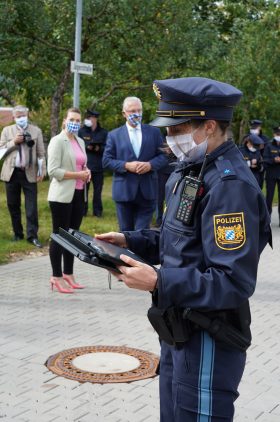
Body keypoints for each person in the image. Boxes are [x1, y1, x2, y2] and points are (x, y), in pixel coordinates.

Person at [96, 77, 271, 421]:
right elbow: (176, 239)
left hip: (209, 337)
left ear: (208, 126)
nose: (168, 138)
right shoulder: (191, 171)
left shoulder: (229, 186)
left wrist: (159, 281)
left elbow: (231, 281)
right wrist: (129, 241)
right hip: (177, 332)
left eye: (177, 129)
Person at [102, 96, 167, 231]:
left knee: (141, 233)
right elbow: (106, 161)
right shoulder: (114, 135)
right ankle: (125, 253)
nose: (136, 114)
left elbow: (164, 156)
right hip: (124, 191)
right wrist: (126, 165)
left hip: (147, 190)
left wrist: (150, 165)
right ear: (124, 114)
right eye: (132, 111)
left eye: (139, 110)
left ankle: (139, 252)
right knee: (125, 233)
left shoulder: (154, 132)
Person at [47, 107, 91, 294]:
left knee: (72, 236)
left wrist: (86, 172)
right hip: (61, 197)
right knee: (59, 236)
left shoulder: (80, 140)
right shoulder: (58, 141)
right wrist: (77, 174)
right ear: (65, 120)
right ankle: (56, 276)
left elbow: (81, 163)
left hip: (79, 194)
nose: (75, 122)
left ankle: (69, 274)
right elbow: (53, 171)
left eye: (78, 120)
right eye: (72, 119)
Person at [0, 105, 46, 247]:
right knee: (13, 205)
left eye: (23, 115)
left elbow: (41, 154)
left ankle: (32, 236)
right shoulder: (7, 130)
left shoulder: (36, 131)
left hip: (30, 172)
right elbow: (1, 151)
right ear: (14, 117)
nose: (21, 118)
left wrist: (41, 171)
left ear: (28, 115)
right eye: (18, 116)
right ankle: (17, 234)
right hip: (11, 173)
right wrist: (14, 142)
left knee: (31, 207)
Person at [78, 109, 108, 217]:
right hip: (85, 167)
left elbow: (107, 148)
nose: (88, 120)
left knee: (97, 191)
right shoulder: (82, 131)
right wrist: (87, 146)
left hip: (98, 166)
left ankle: (98, 212)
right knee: (84, 191)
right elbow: (78, 146)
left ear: (95, 119)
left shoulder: (103, 132)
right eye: (87, 118)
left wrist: (97, 148)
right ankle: (83, 211)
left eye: (90, 118)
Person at [263, 125, 280, 226]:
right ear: (274, 135)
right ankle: (267, 220)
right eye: (278, 134)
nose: (279, 136)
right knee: (269, 198)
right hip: (271, 176)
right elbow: (265, 160)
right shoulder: (269, 146)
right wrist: (274, 160)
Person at [249, 119, 269, 189]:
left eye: (255, 128)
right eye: (252, 128)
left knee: (259, 186)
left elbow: (267, 153)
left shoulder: (265, 138)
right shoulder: (246, 137)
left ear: (259, 128)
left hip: (260, 166)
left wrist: (262, 164)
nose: (253, 129)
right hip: (249, 166)